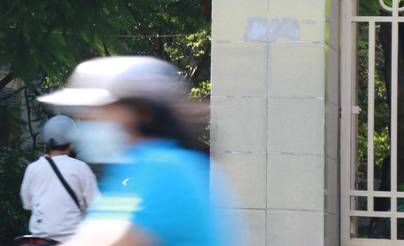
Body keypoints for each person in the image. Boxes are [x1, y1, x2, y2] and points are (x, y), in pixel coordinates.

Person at [39, 56, 243, 246]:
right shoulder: (131, 172)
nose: (88, 122)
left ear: (139, 112)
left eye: (98, 111)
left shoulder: (165, 169)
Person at [20, 115, 99, 244]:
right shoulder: (81, 168)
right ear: (72, 142)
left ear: (47, 142)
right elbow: (95, 204)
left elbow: (28, 204)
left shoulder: (32, 168)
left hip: (39, 241)